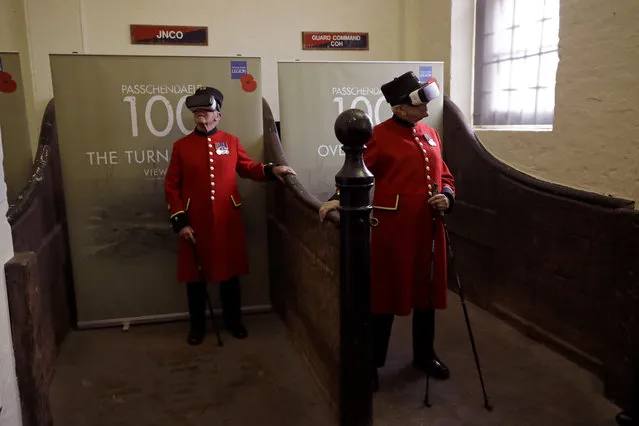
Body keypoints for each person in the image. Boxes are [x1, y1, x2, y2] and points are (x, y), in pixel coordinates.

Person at [319, 71, 455, 391]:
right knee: (384, 297)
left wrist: (446, 196)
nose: (426, 108)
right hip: (393, 232)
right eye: (419, 103)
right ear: (399, 108)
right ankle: (371, 363)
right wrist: (338, 198)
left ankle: (424, 354)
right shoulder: (378, 135)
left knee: (426, 294)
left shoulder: (431, 134)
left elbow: (445, 176)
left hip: (428, 229)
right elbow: (355, 173)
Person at [164, 86, 296, 345]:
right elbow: (171, 186)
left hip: (227, 221)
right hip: (196, 222)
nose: (201, 115)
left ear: (218, 115)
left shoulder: (231, 141)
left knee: (229, 276)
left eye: (206, 110)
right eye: (197, 111)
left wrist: (271, 170)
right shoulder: (181, 146)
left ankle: (234, 321)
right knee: (195, 279)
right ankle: (198, 327)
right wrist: (180, 219)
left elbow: (247, 169)